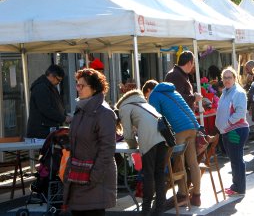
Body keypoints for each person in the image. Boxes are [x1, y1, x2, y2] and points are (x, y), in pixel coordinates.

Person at [64, 69, 117, 215]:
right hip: (78, 178)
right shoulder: (81, 109)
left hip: (94, 182)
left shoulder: (104, 113)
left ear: (94, 88)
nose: (78, 89)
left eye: (82, 86)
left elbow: (107, 149)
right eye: (77, 85)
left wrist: (94, 177)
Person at [148, 81, 202, 206]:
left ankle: (182, 194)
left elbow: (155, 117)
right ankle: (196, 196)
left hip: (179, 130)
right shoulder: (174, 91)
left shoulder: (154, 96)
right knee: (193, 163)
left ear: (150, 89)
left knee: (180, 163)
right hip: (193, 127)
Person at [115, 89, 167, 216]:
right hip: (163, 138)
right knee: (159, 174)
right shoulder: (144, 104)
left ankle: (145, 210)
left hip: (149, 140)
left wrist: (133, 145)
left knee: (148, 174)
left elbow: (127, 134)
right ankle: (159, 208)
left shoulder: (124, 108)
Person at [215, 67, 249, 196]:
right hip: (228, 130)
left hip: (235, 130)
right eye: (224, 77)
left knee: (236, 159)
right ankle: (236, 186)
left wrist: (227, 123)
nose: (227, 80)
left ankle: (239, 188)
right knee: (234, 159)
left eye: (229, 77)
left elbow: (240, 113)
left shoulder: (238, 93)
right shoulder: (226, 92)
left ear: (235, 78)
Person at [27, 64, 71, 140]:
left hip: (47, 129)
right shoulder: (41, 87)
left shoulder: (50, 87)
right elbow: (46, 109)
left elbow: (57, 105)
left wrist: (64, 116)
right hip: (41, 131)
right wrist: (64, 118)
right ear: (51, 75)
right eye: (58, 80)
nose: (58, 82)